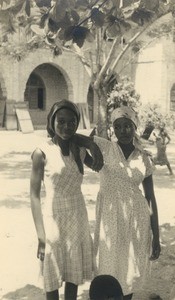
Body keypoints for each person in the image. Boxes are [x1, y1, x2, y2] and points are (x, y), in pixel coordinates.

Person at [75, 105, 161, 300]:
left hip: (136, 222)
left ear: (135, 127)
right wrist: (93, 147)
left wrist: (156, 234)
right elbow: (76, 138)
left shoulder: (143, 158)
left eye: (128, 126)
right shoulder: (105, 147)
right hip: (110, 219)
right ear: (113, 129)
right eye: (118, 126)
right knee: (108, 271)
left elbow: (150, 198)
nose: (123, 131)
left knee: (128, 273)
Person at [30, 99, 103, 300]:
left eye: (72, 122)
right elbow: (34, 196)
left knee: (73, 275)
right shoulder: (41, 153)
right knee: (51, 276)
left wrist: (91, 144)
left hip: (78, 217)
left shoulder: (78, 151)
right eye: (61, 121)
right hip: (53, 219)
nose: (66, 126)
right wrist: (41, 236)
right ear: (52, 121)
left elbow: (99, 166)